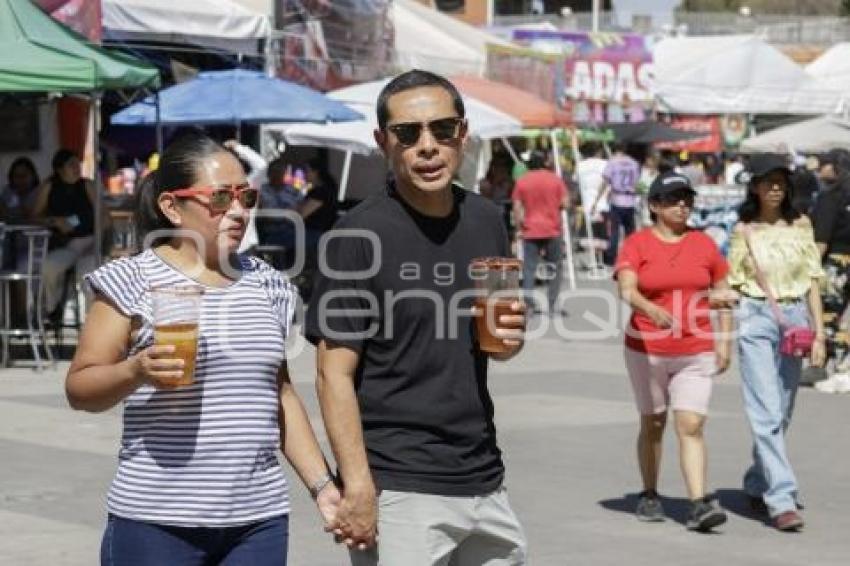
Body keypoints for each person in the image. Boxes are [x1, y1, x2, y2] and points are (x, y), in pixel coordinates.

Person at [64, 133, 341, 565]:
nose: (237, 211)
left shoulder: (269, 284)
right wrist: (134, 371)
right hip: (157, 520)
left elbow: (279, 393)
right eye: (219, 198)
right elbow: (79, 388)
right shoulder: (129, 279)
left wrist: (322, 487)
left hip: (258, 520)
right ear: (171, 207)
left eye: (246, 197)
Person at [305, 70, 528, 565]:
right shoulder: (354, 237)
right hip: (400, 485)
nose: (428, 146)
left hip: (484, 476)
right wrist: (358, 484)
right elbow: (331, 375)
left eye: (442, 129)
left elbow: (497, 342)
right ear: (383, 142)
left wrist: (511, 339)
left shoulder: (488, 219)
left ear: (463, 134)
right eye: (408, 133)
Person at [615, 171, 732, 532]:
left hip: (696, 350)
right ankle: (649, 493)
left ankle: (698, 504)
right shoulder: (637, 244)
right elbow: (626, 288)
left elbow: (723, 293)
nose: (682, 205)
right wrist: (649, 309)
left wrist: (724, 341)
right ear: (654, 206)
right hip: (646, 349)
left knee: (691, 424)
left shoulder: (705, 244)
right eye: (673, 199)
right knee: (653, 423)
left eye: (687, 199)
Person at [726, 153, 826, 532]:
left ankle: (757, 480)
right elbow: (734, 281)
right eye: (767, 181)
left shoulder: (801, 224)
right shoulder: (743, 229)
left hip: (796, 318)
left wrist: (818, 333)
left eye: (781, 181)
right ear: (754, 185)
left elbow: (813, 279)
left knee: (782, 411)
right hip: (756, 316)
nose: (774, 187)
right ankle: (781, 498)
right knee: (765, 410)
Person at [30, 149, 98, 318]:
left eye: (77, 164)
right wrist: (54, 221)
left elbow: (102, 216)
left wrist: (101, 242)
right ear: (60, 169)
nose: (76, 168)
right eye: (71, 165)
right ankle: (53, 307)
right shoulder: (50, 186)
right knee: (48, 267)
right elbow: (34, 216)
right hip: (66, 245)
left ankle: (91, 319)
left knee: (88, 274)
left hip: (90, 242)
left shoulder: (87, 185)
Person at [512, 150, 569, 315]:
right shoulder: (555, 179)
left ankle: (528, 304)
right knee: (555, 268)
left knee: (529, 268)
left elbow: (517, 208)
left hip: (530, 229)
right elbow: (565, 203)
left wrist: (518, 228)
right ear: (545, 162)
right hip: (552, 229)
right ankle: (552, 305)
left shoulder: (522, 182)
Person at [811, 165, 850, 393]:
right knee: (844, 319)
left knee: (828, 317)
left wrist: (811, 267)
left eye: (824, 162)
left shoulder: (830, 197)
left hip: (835, 264)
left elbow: (822, 236)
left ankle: (828, 366)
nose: (818, 167)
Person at [591, 142, 640, 266]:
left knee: (614, 231)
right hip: (630, 200)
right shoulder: (634, 163)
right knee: (630, 232)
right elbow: (637, 183)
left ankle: (612, 258)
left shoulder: (612, 162)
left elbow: (605, 182)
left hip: (617, 199)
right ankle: (632, 257)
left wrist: (597, 200)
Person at [1, 156, 40, 222]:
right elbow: (2, 212)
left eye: (24, 176)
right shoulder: (8, 189)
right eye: (16, 176)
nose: (20, 180)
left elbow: (32, 216)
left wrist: (20, 198)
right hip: (9, 227)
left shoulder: (39, 191)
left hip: (32, 229)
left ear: (33, 176)